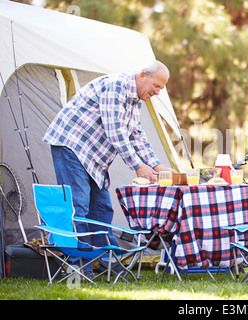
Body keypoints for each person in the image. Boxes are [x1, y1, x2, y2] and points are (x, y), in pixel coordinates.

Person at [43, 60, 175, 273]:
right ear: (142, 75)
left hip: (95, 158)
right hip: (72, 147)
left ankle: (109, 265)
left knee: (102, 210)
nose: (158, 92)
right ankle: (79, 268)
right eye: (157, 86)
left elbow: (136, 136)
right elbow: (116, 132)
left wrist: (158, 166)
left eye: (161, 88)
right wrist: (138, 166)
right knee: (79, 208)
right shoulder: (116, 86)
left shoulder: (135, 101)